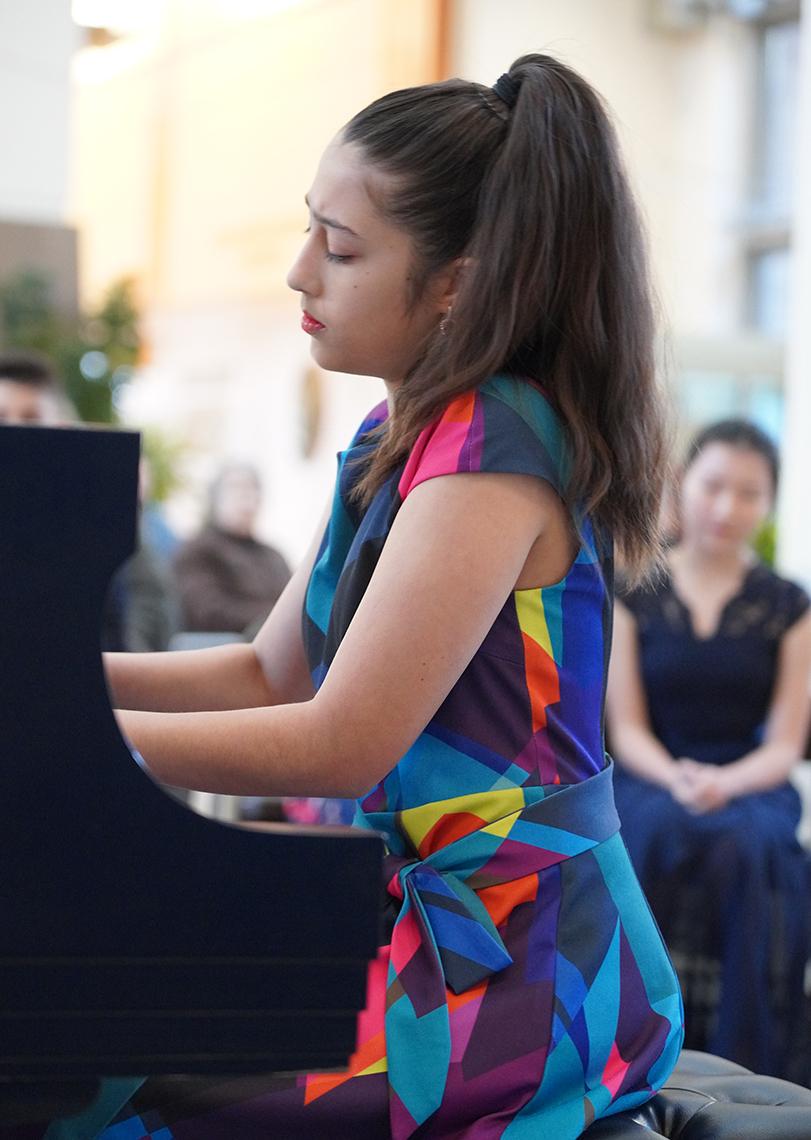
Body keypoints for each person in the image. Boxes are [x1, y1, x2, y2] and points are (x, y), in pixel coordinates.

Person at [53, 54, 683, 1139]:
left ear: (456, 283)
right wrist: (42, 680)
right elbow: (267, 673)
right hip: (414, 927)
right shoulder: (397, 433)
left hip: (519, 967)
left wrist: (62, 735)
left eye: (340, 248)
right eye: (309, 229)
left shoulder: (492, 445)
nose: (298, 271)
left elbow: (339, 743)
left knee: (105, 1096)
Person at [606, 419, 811, 1084]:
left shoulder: (789, 606)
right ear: (683, 484)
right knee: (647, 831)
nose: (727, 507)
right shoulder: (633, 592)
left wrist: (726, 783)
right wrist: (677, 777)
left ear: (768, 503)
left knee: (747, 847)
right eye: (714, 485)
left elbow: (785, 743)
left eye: (749, 493)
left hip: (751, 779)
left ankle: (746, 1063)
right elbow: (626, 728)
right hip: (650, 770)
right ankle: (629, 1051)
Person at [0, 348, 177, 654]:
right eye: (2, 419)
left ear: (61, 426)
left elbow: (149, 605)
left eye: (31, 418)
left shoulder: (102, 514)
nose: (15, 430)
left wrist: (110, 666)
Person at [172, 462, 291, 636]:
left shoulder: (274, 556)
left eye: (252, 489)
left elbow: (294, 604)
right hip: (226, 644)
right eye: (236, 488)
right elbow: (206, 611)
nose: (246, 497)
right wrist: (273, 619)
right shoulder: (197, 551)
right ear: (216, 498)